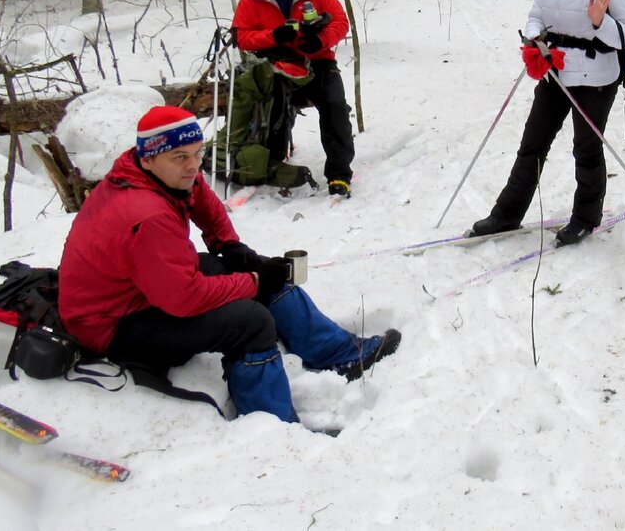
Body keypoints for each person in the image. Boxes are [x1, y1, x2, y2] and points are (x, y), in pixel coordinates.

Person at [58, 106, 400, 423]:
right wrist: (253, 281)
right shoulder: (144, 214)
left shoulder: (154, 172)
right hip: (112, 324)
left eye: (197, 154)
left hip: (144, 287)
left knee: (265, 274)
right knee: (250, 323)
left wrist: (231, 246)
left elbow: (203, 199)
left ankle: (337, 353)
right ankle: (272, 426)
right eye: (180, 157)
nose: (192, 166)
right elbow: (184, 297)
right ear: (149, 160)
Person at [469, 0, 625, 246]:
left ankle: (585, 218)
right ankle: (506, 215)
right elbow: (537, 15)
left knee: (586, 149)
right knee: (531, 145)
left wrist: (598, 23)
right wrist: (534, 36)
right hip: (555, 73)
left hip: (595, 78)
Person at [231, 0, 355, 198]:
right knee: (273, 103)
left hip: (317, 60)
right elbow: (242, 37)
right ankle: (272, 163)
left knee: (335, 106)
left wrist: (320, 40)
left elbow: (341, 22)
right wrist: (273, 36)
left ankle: (339, 174)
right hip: (275, 63)